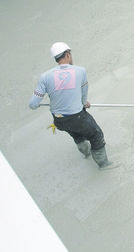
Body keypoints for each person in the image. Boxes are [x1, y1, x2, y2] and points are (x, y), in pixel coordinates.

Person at [29, 42, 116, 170]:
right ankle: (103, 164)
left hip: (59, 121)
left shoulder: (45, 76)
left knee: (76, 134)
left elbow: (33, 104)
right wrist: (84, 102)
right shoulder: (80, 71)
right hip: (78, 117)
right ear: (68, 54)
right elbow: (84, 93)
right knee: (96, 135)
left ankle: (86, 153)